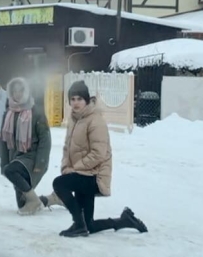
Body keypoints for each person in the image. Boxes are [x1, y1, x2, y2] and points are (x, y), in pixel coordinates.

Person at [49, 80, 148, 238]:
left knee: (59, 184)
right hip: (82, 173)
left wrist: (75, 169)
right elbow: (67, 148)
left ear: (87, 100)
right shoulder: (74, 119)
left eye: (79, 99)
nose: (76, 103)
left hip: (94, 176)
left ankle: (78, 223)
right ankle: (125, 220)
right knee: (90, 225)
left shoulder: (95, 120)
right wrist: (65, 167)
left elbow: (98, 153)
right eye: (72, 99)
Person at [0, 77, 51, 214]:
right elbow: (4, 141)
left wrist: (41, 163)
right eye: (14, 91)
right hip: (16, 157)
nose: (18, 94)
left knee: (11, 171)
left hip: (32, 156)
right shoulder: (9, 112)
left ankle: (34, 201)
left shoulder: (36, 112)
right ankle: (52, 199)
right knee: (22, 205)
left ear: (27, 92)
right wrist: (3, 163)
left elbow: (45, 140)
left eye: (21, 91)